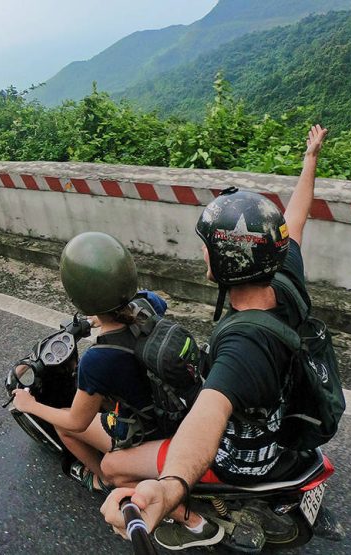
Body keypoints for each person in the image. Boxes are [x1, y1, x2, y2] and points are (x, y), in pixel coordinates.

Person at [99, 125, 329, 550]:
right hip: (279, 414)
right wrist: (310, 159)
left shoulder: (244, 346)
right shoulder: (285, 272)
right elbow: (296, 215)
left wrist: (168, 489)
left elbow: (206, 419)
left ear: (230, 259)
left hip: (244, 458)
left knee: (113, 465)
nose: (203, 251)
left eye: (208, 246)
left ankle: (191, 522)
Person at [13, 231, 168, 494]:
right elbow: (144, 301)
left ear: (79, 298)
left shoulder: (98, 359)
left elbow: (77, 422)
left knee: (64, 425)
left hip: (147, 431)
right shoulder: (148, 304)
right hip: (166, 404)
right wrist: (97, 319)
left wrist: (31, 405)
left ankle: (102, 479)